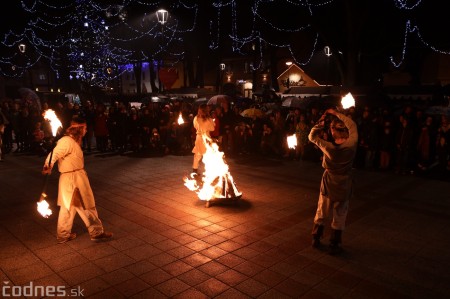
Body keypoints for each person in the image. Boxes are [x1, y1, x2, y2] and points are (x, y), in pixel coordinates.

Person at [42, 116, 113, 244]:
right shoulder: (66, 141)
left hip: (71, 179)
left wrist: (48, 164)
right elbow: (55, 153)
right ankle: (96, 233)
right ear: (79, 129)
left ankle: (63, 235)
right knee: (86, 205)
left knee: (69, 208)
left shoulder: (72, 141)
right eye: (84, 128)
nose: (86, 130)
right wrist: (48, 164)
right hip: (74, 179)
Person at [308, 108, 358, 255]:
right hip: (345, 183)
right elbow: (352, 125)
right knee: (340, 214)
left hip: (329, 182)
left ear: (334, 132)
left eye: (331, 128)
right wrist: (337, 114)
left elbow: (311, 136)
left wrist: (321, 122)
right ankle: (334, 244)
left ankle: (316, 238)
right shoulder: (352, 143)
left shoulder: (328, 147)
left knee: (322, 211)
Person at [192, 103, 215, 174]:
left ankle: (195, 170)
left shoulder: (196, 118)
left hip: (198, 137)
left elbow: (195, 126)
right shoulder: (209, 119)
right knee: (208, 155)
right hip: (206, 138)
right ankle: (210, 172)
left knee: (197, 154)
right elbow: (212, 128)